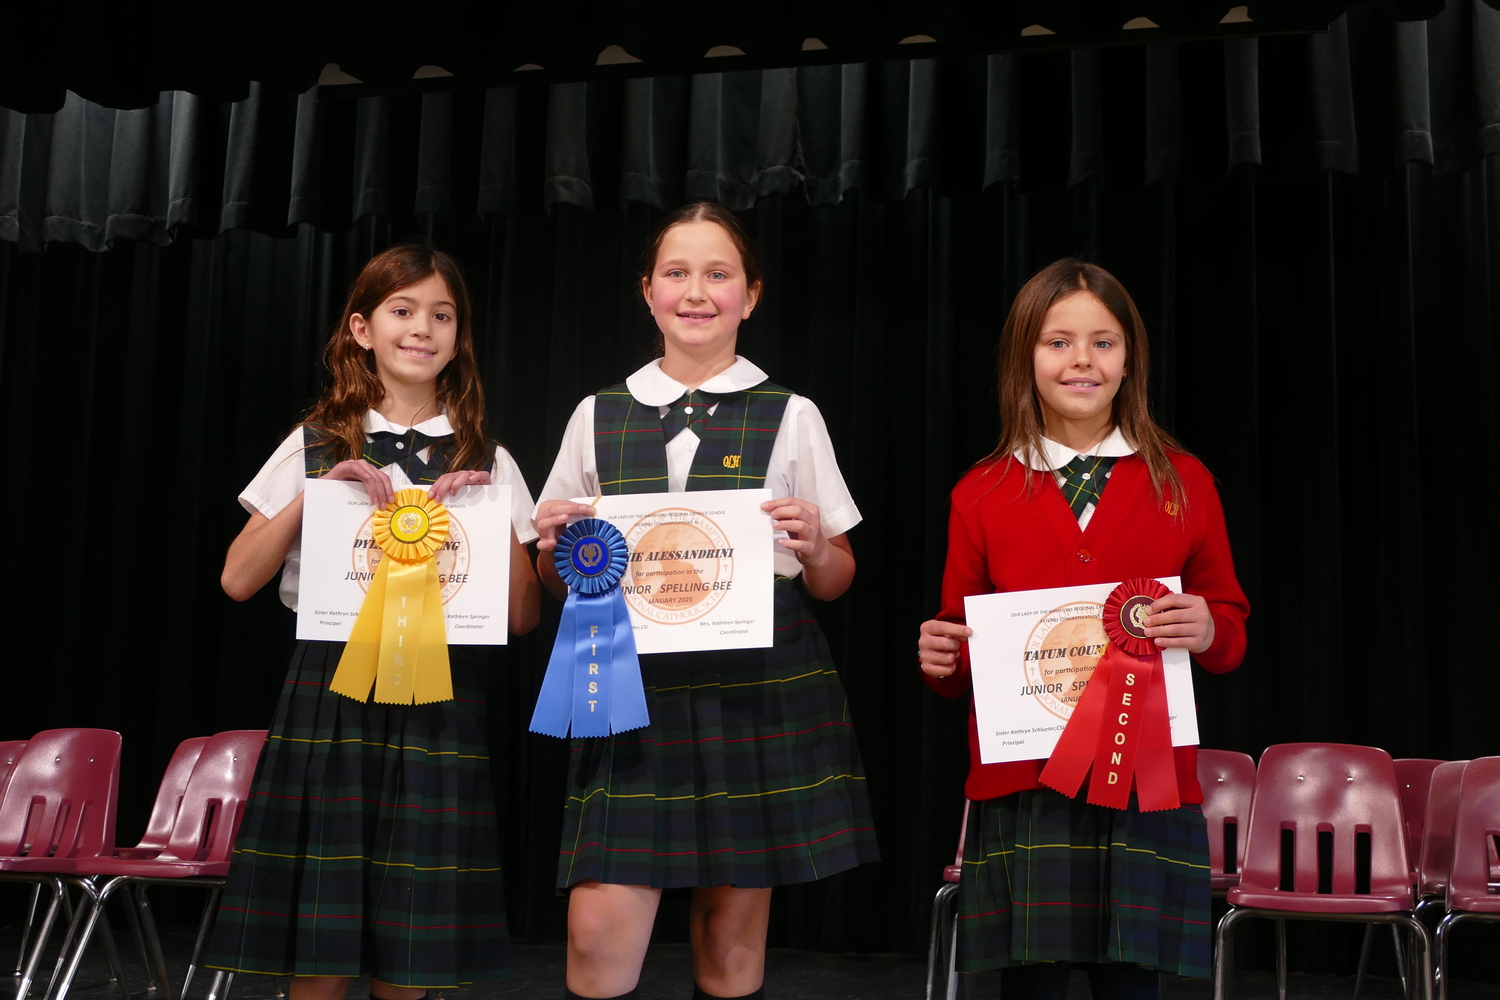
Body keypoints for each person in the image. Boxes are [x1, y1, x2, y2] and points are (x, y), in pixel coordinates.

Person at [533, 201, 879, 1000]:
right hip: (632, 692)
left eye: (718, 274)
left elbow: (836, 577)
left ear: (750, 295)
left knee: (730, 948)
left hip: (756, 687)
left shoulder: (792, 415)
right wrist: (553, 553)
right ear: (647, 291)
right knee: (596, 940)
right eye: (677, 273)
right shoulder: (598, 414)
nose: (697, 291)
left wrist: (820, 546)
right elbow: (558, 580)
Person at [206, 242, 541, 1000]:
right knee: (322, 950)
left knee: (410, 950)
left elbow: (523, 617)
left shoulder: (489, 459)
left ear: (458, 338)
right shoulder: (315, 444)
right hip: (332, 692)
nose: (422, 328)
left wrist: (486, 517)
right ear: (362, 328)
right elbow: (236, 579)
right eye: (403, 309)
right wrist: (316, 491)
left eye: (442, 314)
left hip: (442, 698)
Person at [917, 259, 1248, 999]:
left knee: (1133, 987)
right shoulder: (982, 491)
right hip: (1024, 786)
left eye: (1103, 343)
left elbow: (1229, 630)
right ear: (1024, 359)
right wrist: (939, 655)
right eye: (1058, 342)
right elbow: (957, 645)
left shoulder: (1183, 481)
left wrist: (1205, 627)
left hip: (1146, 782)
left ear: (1129, 359)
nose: (1081, 361)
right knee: (1029, 988)